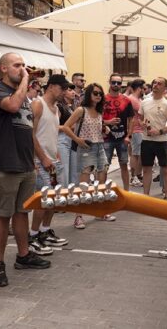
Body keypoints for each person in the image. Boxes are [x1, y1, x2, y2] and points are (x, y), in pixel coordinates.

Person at [0, 53, 50, 288]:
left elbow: (27, 130)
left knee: (22, 212)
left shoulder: (23, 95)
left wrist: (38, 158)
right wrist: (26, 79)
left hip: (25, 164)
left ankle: (23, 256)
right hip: (5, 164)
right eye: (17, 65)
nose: (23, 69)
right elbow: (12, 106)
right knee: (3, 215)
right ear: (3, 69)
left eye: (24, 65)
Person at [62, 83, 113, 228]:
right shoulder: (80, 110)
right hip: (86, 148)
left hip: (99, 146)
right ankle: (78, 216)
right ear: (89, 94)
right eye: (95, 93)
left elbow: (97, 129)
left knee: (102, 178)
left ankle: (100, 211)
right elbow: (66, 127)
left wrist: (105, 130)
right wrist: (77, 140)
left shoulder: (99, 111)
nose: (98, 96)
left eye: (100, 94)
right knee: (83, 184)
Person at [29, 74, 69, 254]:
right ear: (52, 86)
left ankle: (44, 231)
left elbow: (51, 133)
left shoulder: (57, 108)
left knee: (53, 199)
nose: (65, 92)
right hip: (40, 160)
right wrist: (41, 158)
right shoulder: (38, 104)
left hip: (53, 160)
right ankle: (33, 236)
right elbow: (31, 134)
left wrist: (56, 155)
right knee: (43, 201)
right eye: (63, 88)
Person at [139, 77, 167, 200]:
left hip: (161, 141)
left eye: (159, 84)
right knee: (146, 169)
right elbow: (139, 118)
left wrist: (159, 131)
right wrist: (142, 124)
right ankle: (146, 198)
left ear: (164, 89)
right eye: (154, 82)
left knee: (165, 169)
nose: (155, 85)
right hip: (146, 140)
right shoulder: (145, 102)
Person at [102, 73, 134, 191]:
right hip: (106, 138)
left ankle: (127, 192)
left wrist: (129, 136)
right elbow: (96, 119)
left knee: (124, 165)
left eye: (118, 83)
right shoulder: (103, 99)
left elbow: (131, 119)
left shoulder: (126, 100)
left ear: (122, 84)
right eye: (113, 82)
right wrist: (108, 122)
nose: (116, 85)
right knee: (104, 167)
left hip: (122, 138)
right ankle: (103, 191)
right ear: (109, 83)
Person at [57, 82, 78, 186]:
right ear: (63, 92)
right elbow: (54, 126)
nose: (73, 92)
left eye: (73, 90)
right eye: (70, 90)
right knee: (64, 171)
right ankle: (64, 194)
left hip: (73, 140)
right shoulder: (59, 106)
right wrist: (69, 127)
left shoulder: (73, 107)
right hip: (62, 140)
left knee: (74, 172)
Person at [127, 79, 145, 188]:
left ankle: (137, 175)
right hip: (136, 130)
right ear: (139, 88)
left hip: (140, 130)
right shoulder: (131, 99)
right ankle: (133, 177)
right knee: (135, 154)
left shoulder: (138, 99)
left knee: (139, 154)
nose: (145, 90)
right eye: (143, 88)